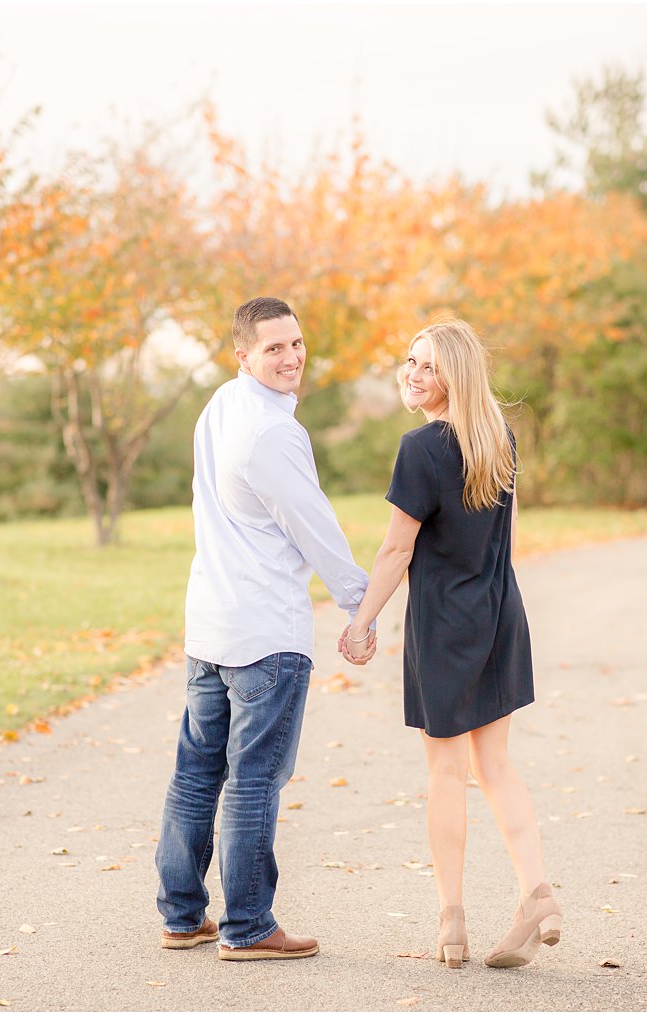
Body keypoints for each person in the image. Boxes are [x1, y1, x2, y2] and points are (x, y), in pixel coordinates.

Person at [155, 296, 376, 961]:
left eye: (297, 343)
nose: (290, 357)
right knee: (251, 778)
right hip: (263, 634)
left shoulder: (222, 405)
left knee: (196, 772)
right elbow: (315, 525)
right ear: (243, 354)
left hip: (211, 623)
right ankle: (247, 925)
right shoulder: (272, 431)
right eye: (274, 347)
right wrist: (357, 606)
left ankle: (181, 915)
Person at [338, 317, 560, 970]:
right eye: (408, 360)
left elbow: (396, 547)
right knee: (495, 767)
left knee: (445, 771)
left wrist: (361, 622)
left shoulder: (421, 448)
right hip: (499, 615)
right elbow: (506, 534)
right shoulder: (501, 440)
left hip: (443, 624)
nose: (411, 372)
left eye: (426, 365)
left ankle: (452, 918)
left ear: (452, 378)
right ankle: (537, 892)